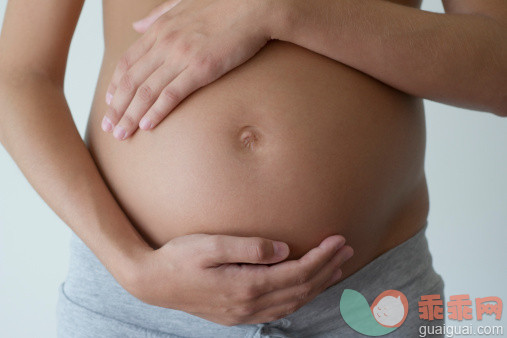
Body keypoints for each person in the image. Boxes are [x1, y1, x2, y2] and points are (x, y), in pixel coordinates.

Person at [0, 0, 504, 337]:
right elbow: (18, 75)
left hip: (365, 304)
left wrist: (283, 9)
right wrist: (132, 267)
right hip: (138, 303)